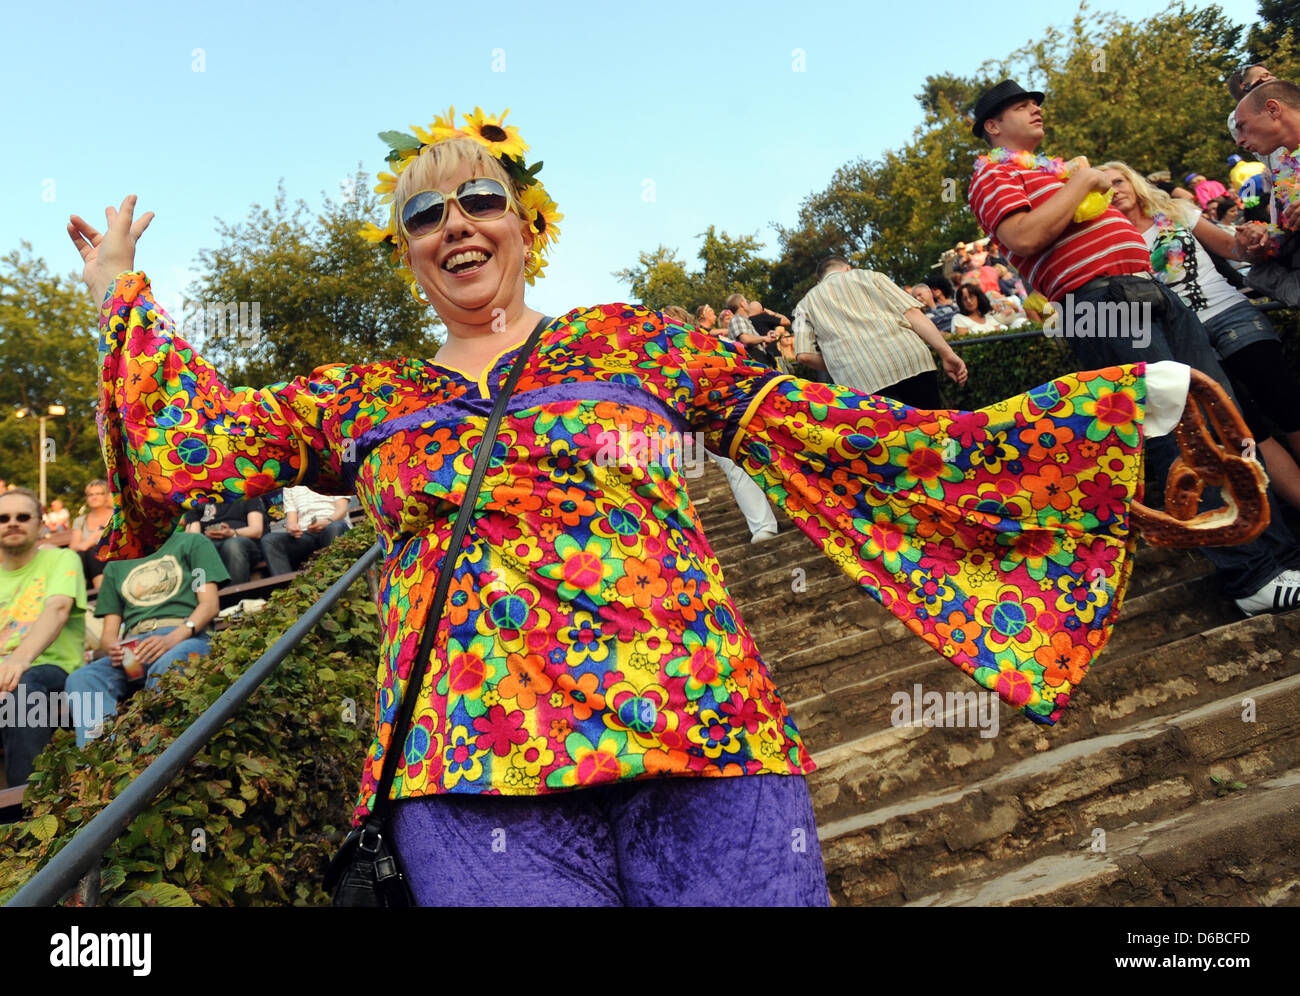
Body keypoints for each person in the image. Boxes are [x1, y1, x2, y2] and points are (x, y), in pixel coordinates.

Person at [72, 109, 1216, 907]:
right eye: (427, 215)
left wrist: (1092, 422)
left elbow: (830, 432)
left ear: (527, 226)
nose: (457, 224)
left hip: (697, 723)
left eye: (482, 199)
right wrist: (121, 300)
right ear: (408, 255)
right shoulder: (368, 393)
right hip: (467, 767)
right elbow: (193, 454)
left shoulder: (628, 339)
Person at [968, 78, 1300, 615]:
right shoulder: (994, 174)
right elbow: (1024, 238)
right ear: (991, 126)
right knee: (1175, 435)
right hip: (1100, 303)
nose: (1035, 110)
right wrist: (1084, 181)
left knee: (1225, 419)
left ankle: (1281, 555)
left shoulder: (1053, 171)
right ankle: (1251, 575)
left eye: (1036, 103)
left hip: (1149, 291)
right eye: (1021, 106)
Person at [1103, 160, 1300, 510]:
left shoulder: (1175, 211)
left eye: (1118, 181)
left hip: (1229, 313)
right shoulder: (1107, 241)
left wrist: (1252, 238)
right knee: (1246, 430)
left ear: (1133, 182)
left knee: (1287, 403)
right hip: (1181, 338)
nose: (1114, 190)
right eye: (1102, 188)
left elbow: (1232, 250)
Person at [64, 525, 225, 747]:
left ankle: (159, 750)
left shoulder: (192, 543)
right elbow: (109, 635)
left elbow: (209, 605)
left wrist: (173, 638)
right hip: (134, 646)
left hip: (186, 636)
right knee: (82, 678)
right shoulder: (116, 565)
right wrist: (115, 648)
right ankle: (100, 761)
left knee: (169, 663)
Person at [793, 256, 967, 407]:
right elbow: (912, 314)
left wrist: (839, 362)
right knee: (934, 429)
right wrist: (946, 353)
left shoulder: (803, 305)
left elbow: (803, 355)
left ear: (819, 281)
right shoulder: (870, 276)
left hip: (859, 382)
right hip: (910, 359)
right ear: (848, 268)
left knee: (892, 441)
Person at [0, 489, 86, 785]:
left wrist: (18, 660)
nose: (12, 523)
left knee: (19, 686)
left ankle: (23, 811)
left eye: (23, 517)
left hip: (50, 669)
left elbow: (58, 609)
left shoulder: (62, 560)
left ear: (40, 525)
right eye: (3, 518)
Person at [1231, 80, 1300, 306]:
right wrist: (1257, 242)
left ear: (1273, 110)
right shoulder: (1281, 172)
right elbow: (1283, 235)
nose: (1239, 140)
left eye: (1242, 126)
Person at [260, 485, 351, 576]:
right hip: (304, 534)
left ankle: (335, 577)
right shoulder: (290, 486)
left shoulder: (331, 476)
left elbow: (342, 510)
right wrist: (292, 527)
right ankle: (286, 587)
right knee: (269, 540)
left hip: (331, 525)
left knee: (335, 527)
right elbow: (291, 520)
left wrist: (327, 521)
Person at [183, 496, 265, 585]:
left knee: (233, 545)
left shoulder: (246, 494)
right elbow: (195, 538)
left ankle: (237, 595)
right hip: (211, 544)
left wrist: (232, 533)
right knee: (200, 552)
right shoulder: (196, 500)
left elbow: (256, 530)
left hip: (243, 543)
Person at [69, 479, 113, 592]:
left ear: (107, 496)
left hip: (111, 561)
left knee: (94, 552)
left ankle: (101, 594)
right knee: (81, 555)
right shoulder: (81, 521)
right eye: (90, 494)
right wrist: (90, 541)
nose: (94, 497)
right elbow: (73, 548)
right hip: (85, 566)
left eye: (98, 494)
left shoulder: (116, 515)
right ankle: (80, 595)